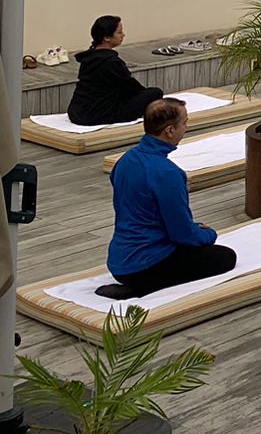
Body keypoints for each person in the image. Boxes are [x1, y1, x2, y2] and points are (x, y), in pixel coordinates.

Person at [98, 98, 237, 298]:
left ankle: (139, 282)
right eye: (184, 123)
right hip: (145, 265)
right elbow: (181, 233)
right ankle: (143, 288)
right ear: (170, 130)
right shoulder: (168, 174)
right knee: (225, 257)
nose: (186, 128)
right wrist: (209, 235)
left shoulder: (125, 160)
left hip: (119, 260)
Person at [68, 15, 164, 126]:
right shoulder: (111, 62)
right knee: (155, 92)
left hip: (76, 112)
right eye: (119, 32)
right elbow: (132, 87)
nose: (123, 35)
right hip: (95, 115)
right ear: (107, 37)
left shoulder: (88, 58)